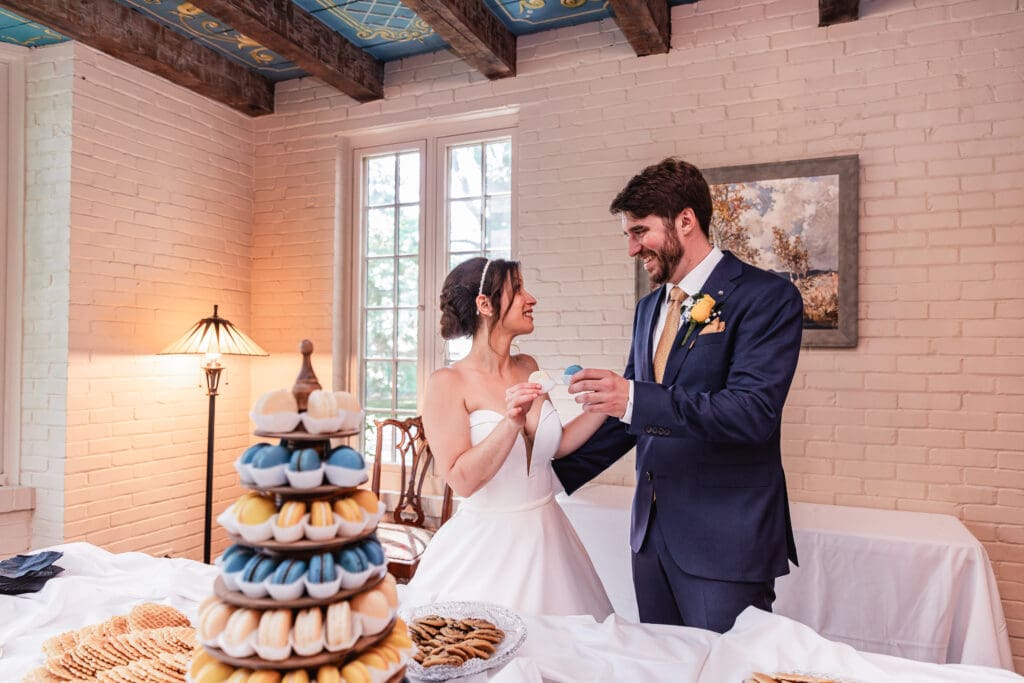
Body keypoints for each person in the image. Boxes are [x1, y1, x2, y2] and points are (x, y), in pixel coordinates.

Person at [552, 157, 802, 633]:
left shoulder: (767, 298)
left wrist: (631, 398)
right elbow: (632, 413)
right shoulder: (649, 308)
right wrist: (546, 475)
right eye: (627, 234)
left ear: (685, 220)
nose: (632, 248)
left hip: (724, 541)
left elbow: (752, 413)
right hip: (650, 538)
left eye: (639, 231)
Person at [404, 256, 613, 619]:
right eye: (517, 290)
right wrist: (510, 421)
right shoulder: (446, 383)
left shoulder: (527, 366)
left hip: (551, 541)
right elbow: (462, 481)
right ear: (484, 304)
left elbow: (557, 444)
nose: (530, 299)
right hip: (486, 554)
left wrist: (606, 402)